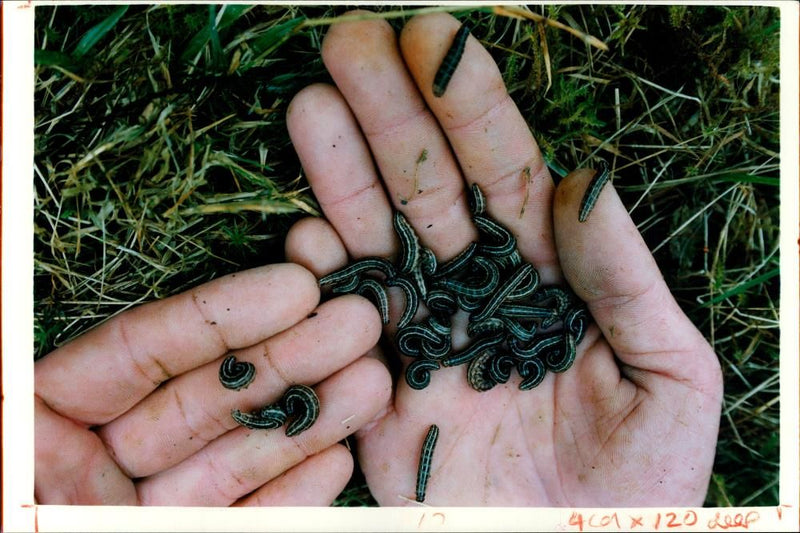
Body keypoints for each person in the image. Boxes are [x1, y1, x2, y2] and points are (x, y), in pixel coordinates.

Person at [34, 12, 723, 507]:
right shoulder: (471, 318)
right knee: (382, 288)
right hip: (464, 315)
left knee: (385, 291)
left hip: (477, 321)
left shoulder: (501, 332)